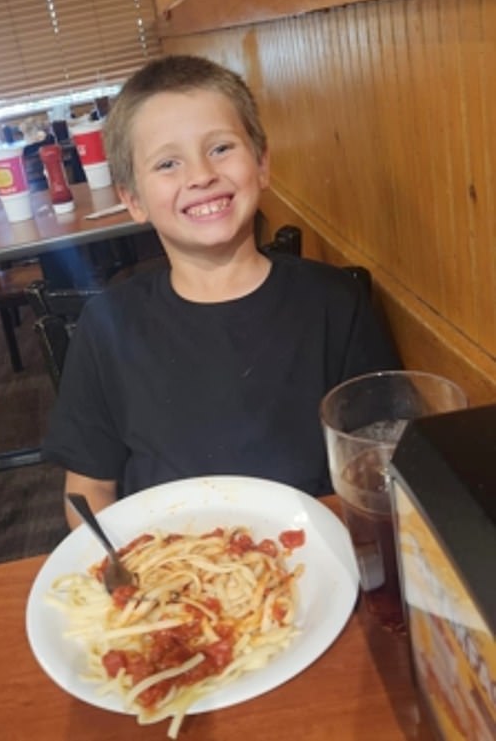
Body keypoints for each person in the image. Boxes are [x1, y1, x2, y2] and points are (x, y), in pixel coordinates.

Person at [42, 54, 400, 528]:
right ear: (133, 200)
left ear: (263, 163)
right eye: (168, 163)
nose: (200, 175)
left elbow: (379, 466)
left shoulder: (336, 303)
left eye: (221, 148)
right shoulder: (107, 325)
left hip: (310, 554)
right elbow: (87, 489)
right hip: (168, 574)